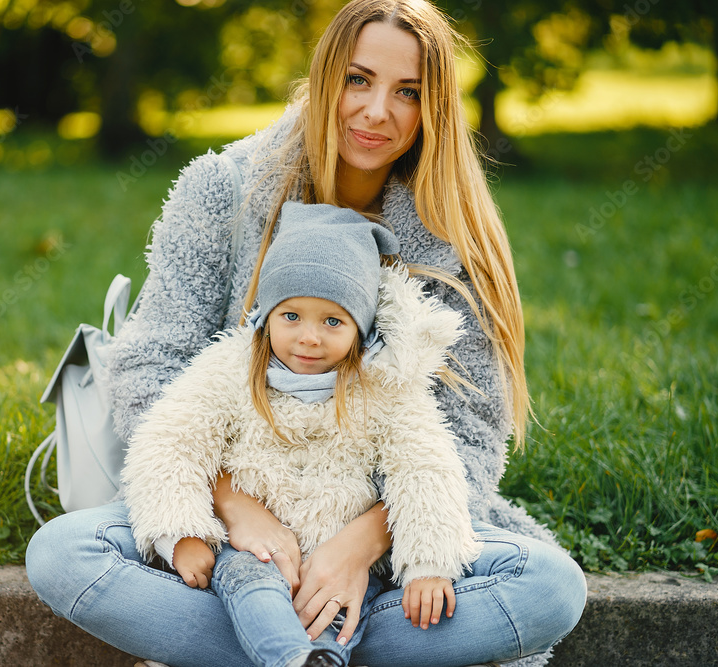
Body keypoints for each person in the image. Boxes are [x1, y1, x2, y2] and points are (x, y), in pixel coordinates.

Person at [26, 1, 587, 665]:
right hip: (234, 517)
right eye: (359, 79)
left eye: (407, 92)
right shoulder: (224, 191)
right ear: (325, 79)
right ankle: (310, 646)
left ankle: (288, 647)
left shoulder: (452, 233)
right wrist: (235, 509)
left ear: (434, 106)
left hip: (386, 528)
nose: (378, 111)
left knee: (552, 588)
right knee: (62, 553)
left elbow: (470, 436)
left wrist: (360, 545)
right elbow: (151, 366)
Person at [122, 201, 481, 667]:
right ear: (266, 315)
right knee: (252, 584)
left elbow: (426, 467)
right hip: (252, 547)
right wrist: (179, 533)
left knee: (332, 614)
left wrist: (429, 563)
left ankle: (308, 658)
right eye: (291, 316)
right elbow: (170, 443)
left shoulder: (386, 390)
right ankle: (291, 658)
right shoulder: (228, 371)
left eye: (332, 321)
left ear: (361, 329)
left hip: (343, 559)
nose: (309, 337)